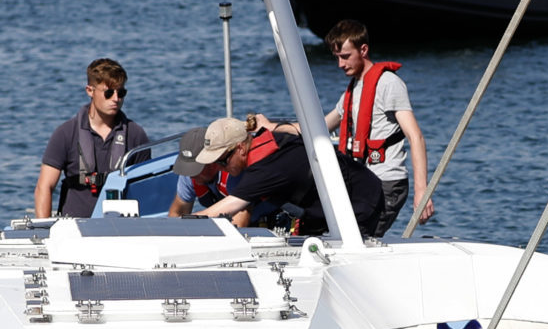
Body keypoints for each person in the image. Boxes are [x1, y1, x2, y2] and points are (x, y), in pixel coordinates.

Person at [321, 19, 432, 235]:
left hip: (387, 183)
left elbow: (415, 137)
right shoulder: (352, 91)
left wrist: (422, 192)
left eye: (345, 57)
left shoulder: (388, 84)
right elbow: (320, 126)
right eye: (337, 58)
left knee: (357, 238)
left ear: (363, 49)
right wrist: (275, 127)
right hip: (363, 182)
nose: (340, 65)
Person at [193, 115, 383, 238]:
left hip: (360, 201)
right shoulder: (263, 141)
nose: (219, 168)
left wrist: (179, 224)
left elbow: (229, 207)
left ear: (241, 148)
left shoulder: (266, 169)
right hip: (320, 206)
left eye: (222, 161)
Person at [36, 58, 152, 220]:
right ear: (90, 91)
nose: (116, 99)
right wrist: (43, 231)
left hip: (122, 228)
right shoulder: (65, 133)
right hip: (74, 227)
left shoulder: (136, 135)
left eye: (121, 93)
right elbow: (44, 186)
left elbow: (145, 190)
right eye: (109, 93)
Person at [168, 113, 290, 216]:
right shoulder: (189, 176)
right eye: (188, 169)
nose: (190, 175)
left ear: (211, 161)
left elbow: (240, 222)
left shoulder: (235, 173)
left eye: (195, 170)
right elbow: (177, 212)